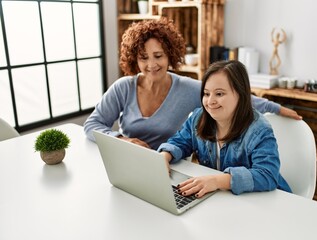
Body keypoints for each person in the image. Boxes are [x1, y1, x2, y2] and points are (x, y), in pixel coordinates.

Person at [84, 18, 301, 150]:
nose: (151, 64)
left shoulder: (187, 88)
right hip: (128, 162)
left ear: (170, 55)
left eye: (158, 56)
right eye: (143, 57)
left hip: (169, 164)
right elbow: (92, 125)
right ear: (134, 59)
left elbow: (235, 95)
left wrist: (278, 108)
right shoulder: (123, 87)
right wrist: (122, 140)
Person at [158, 60, 292, 197]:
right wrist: (164, 156)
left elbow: (267, 175)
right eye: (206, 93)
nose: (210, 102)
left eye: (219, 94)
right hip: (224, 199)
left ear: (240, 95)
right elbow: (180, 141)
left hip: (267, 203)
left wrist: (218, 181)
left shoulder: (260, 130)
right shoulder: (199, 118)